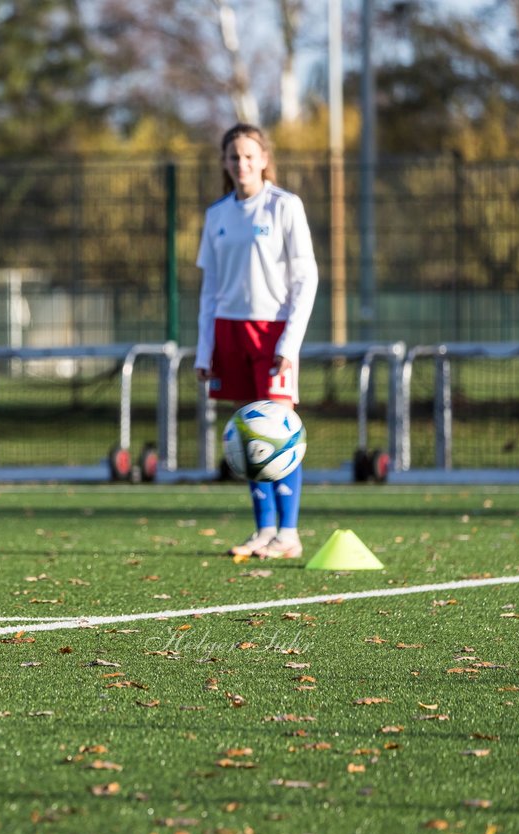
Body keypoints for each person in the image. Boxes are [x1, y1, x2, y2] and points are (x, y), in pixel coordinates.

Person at [194, 123, 318, 560]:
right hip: (229, 329)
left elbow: (306, 278)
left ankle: (289, 532)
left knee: (278, 431)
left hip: (272, 332)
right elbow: (210, 290)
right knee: (248, 434)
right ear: (224, 163)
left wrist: (289, 342)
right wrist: (205, 349)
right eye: (233, 157)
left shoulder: (285, 206)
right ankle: (264, 530)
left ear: (264, 159)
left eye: (249, 156)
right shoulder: (217, 214)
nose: (241, 164)